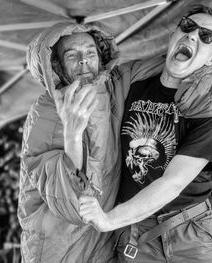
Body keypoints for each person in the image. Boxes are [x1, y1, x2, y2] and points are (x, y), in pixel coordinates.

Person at [79, 5, 212, 263]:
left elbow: (172, 183)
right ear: (172, 36)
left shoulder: (211, 107)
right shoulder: (130, 82)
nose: (193, 36)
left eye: (206, 37)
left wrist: (109, 220)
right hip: (138, 233)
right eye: (187, 26)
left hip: (192, 233)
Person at [18, 22, 164, 263]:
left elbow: (165, 67)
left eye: (90, 52)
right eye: (72, 55)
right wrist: (72, 137)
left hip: (101, 244)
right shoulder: (47, 113)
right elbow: (73, 206)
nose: (84, 60)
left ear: (102, 56)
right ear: (56, 65)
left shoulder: (111, 86)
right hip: (58, 249)